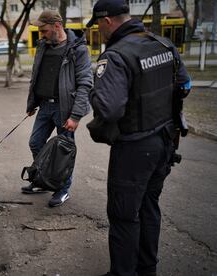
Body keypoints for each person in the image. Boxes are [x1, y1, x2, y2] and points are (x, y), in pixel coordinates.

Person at [86, 0, 191, 275]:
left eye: (98, 24)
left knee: (123, 215)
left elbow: (109, 108)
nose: (98, 29)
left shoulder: (116, 55)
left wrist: (93, 90)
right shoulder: (163, 44)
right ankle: (147, 269)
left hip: (134, 148)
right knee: (148, 205)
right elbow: (185, 84)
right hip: (165, 141)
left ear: (107, 20)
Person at [21, 10, 93, 207]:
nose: (41, 34)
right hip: (44, 106)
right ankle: (43, 180)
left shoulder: (77, 49)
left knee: (64, 152)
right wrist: (32, 103)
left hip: (65, 109)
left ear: (57, 26)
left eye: (44, 30)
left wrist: (76, 115)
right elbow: (38, 76)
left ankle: (63, 190)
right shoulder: (43, 45)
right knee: (35, 143)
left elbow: (86, 83)